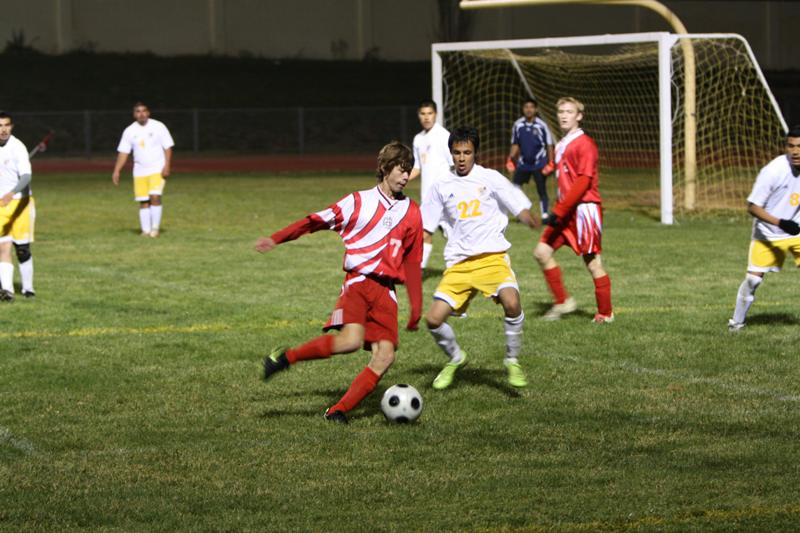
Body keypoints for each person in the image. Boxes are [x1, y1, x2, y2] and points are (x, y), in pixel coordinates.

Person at [256, 141, 423, 424]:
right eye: (401, 169)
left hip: (386, 292)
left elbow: (412, 261)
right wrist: (276, 238)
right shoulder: (358, 202)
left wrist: (416, 307)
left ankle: (337, 411)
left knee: (385, 357)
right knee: (349, 342)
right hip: (358, 283)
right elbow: (314, 221)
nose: (407, 176)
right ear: (385, 168)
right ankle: (287, 358)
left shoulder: (412, 212)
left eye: (409, 170)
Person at [421, 126, 538, 390]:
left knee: (512, 302)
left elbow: (514, 200)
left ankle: (512, 360)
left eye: (467, 152)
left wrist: (525, 215)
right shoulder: (441, 186)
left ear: (476, 153)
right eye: (457, 153)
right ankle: (456, 358)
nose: (461, 158)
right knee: (433, 320)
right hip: (459, 264)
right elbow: (425, 224)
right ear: (451, 154)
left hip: (492, 258)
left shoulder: (490, 178)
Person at [533, 97, 613, 323]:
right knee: (541, 252)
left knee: (593, 263)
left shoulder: (585, 143)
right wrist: (545, 171)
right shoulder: (562, 143)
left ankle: (605, 313)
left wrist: (559, 210)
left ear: (579, 116)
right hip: (566, 212)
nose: (564, 115)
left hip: (584, 211)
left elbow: (583, 181)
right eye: (561, 112)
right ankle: (563, 302)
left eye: (569, 112)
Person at [728, 125, 800, 331]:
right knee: (752, 281)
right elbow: (752, 207)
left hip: (797, 231)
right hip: (768, 234)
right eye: (791, 146)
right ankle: (736, 324)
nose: (795, 151)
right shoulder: (773, 171)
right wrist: (781, 223)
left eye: (799, 146)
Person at [112, 102, 174, 238]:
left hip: (157, 168)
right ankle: (145, 231)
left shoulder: (158, 126)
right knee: (143, 200)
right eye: (138, 111)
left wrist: (167, 166)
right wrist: (117, 170)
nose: (141, 114)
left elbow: (168, 147)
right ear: (134, 114)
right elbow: (123, 152)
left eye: (144, 111)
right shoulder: (129, 131)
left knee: (155, 196)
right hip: (139, 170)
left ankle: (155, 229)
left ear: (148, 112)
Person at [409, 100, 453, 268]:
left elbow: (454, 165)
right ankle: (418, 273)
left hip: (445, 197)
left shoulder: (444, 136)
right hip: (428, 199)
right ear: (418, 116)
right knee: (424, 235)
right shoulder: (418, 139)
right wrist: (400, 179)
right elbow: (417, 167)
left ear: (436, 114)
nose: (426, 117)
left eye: (430, 113)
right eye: (423, 114)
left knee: (453, 237)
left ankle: (463, 269)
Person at [0, 112, 35, 301]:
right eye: (0, 126)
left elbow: (27, 176)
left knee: (22, 249)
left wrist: (12, 193)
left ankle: (28, 289)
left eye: (6, 125)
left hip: (21, 203)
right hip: (1, 205)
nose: (3, 129)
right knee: (3, 247)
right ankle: (7, 291)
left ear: (11, 127)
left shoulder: (18, 147)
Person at [506, 98, 555, 221]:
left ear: (536, 109)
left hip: (539, 163)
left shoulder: (542, 126)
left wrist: (551, 162)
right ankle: (521, 212)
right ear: (523, 109)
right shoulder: (518, 125)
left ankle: (544, 215)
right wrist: (510, 159)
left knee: (541, 188)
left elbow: (549, 144)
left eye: (531, 107)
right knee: (515, 187)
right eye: (526, 107)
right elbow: (515, 144)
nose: (529, 110)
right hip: (523, 163)